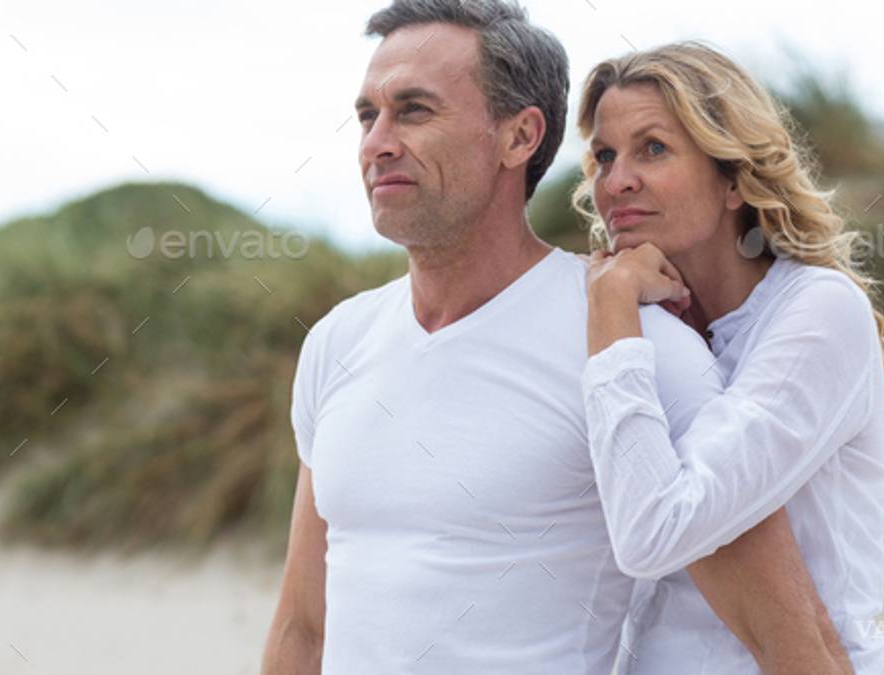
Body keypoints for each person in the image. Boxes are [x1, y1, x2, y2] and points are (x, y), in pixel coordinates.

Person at [262, 2, 848, 673]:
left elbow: (793, 642)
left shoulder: (633, 346)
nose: (377, 143)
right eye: (368, 116)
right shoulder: (336, 342)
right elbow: (303, 629)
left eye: (414, 111)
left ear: (519, 137)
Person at [577, 41, 884, 673]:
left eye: (653, 148)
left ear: (732, 179)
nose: (616, 180)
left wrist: (613, 312)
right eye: (604, 155)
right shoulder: (656, 324)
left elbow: (654, 533)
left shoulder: (819, 311)